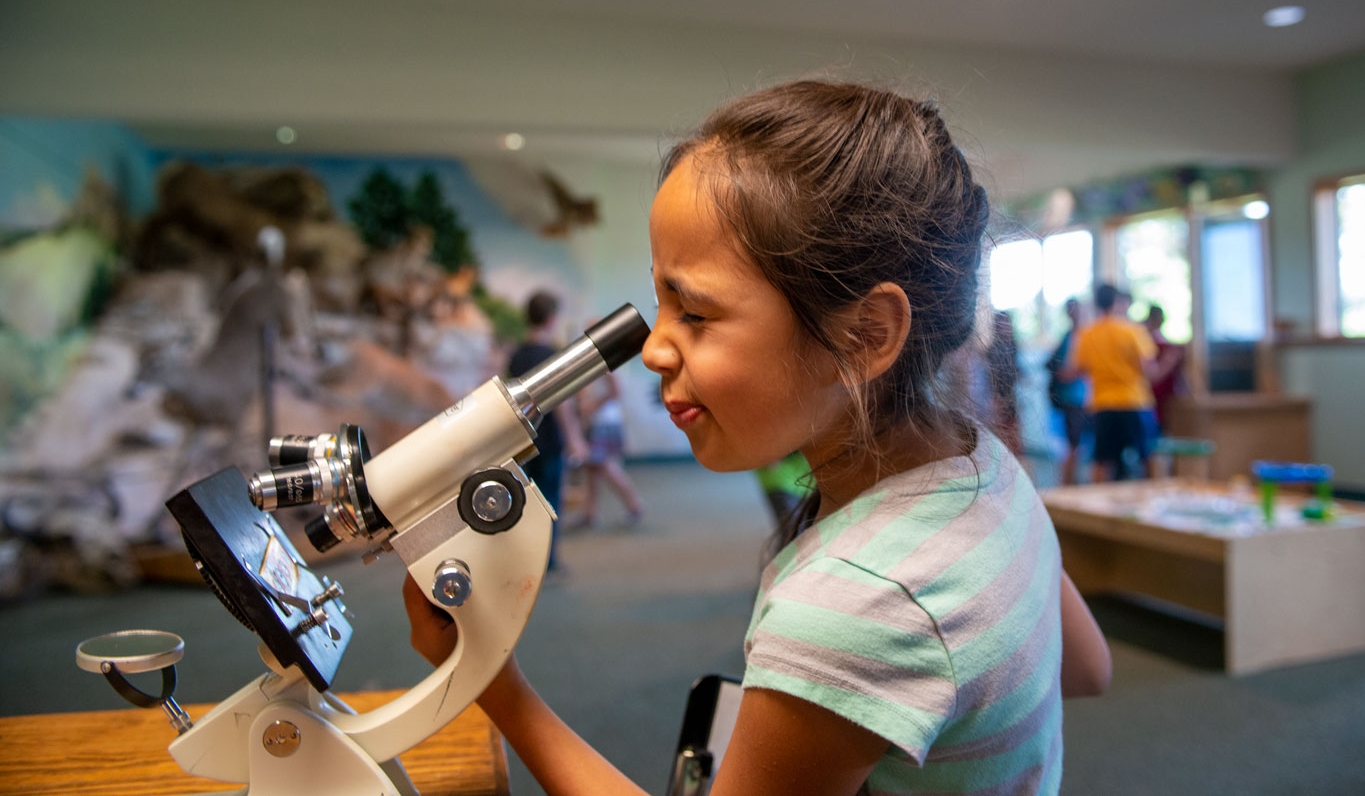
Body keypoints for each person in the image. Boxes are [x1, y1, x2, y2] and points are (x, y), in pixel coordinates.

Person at [406, 81, 1111, 796]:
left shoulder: (856, 603)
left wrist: (497, 686)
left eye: (697, 313)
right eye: (661, 301)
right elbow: (1087, 668)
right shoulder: (987, 467)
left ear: (865, 335)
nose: (654, 348)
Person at [507, 290, 588, 574]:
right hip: (550, 440)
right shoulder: (551, 355)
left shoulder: (517, 355)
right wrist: (575, 439)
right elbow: (561, 404)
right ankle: (548, 562)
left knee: (526, 502)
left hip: (524, 440)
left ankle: (527, 560)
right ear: (551, 319)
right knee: (551, 500)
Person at [1067, 283, 1156, 482]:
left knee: (1102, 461)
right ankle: (1153, 502)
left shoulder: (1087, 334)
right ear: (1117, 301)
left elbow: (1076, 370)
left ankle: (1098, 510)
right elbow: (1149, 369)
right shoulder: (1132, 331)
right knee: (1147, 457)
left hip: (1102, 404)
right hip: (1135, 401)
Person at [571, 373, 646, 529]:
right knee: (593, 469)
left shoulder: (606, 369)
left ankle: (634, 505)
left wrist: (594, 406)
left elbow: (616, 391)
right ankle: (589, 514)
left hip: (604, 421)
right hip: (598, 421)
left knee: (604, 465)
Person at [1044, 298, 1090, 486]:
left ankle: (1070, 482)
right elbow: (1065, 371)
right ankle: (1068, 484)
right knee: (1073, 445)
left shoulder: (1077, 335)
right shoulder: (1072, 337)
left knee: (1076, 445)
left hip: (1078, 398)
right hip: (1073, 399)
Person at [984, 310, 1024, 458]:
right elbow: (994, 377)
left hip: (1011, 397)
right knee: (1003, 437)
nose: (1005, 326)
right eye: (1003, 323)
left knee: (1014, 436)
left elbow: (1014, 370)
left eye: (1007, 323)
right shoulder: (994, 349)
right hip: (998, 399)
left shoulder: (1013, 345)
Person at [1143, 304, 1187, 434]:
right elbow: (1152, 375)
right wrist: (1169, 360)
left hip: (1165, 397)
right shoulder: (1145, 342)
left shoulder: (1165, 344)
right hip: (1149, 396)